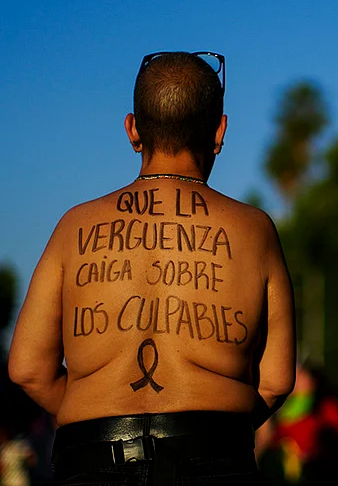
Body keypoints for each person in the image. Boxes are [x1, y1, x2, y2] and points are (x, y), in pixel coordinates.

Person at [8, 51, 296, 485]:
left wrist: (97, 412)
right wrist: (213, 429)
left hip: (90, 460)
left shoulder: (75, 226)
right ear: (219, 131)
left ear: (132, 129)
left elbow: (27, 369)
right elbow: (275, 380)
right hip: (216, 459)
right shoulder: (254, 230)